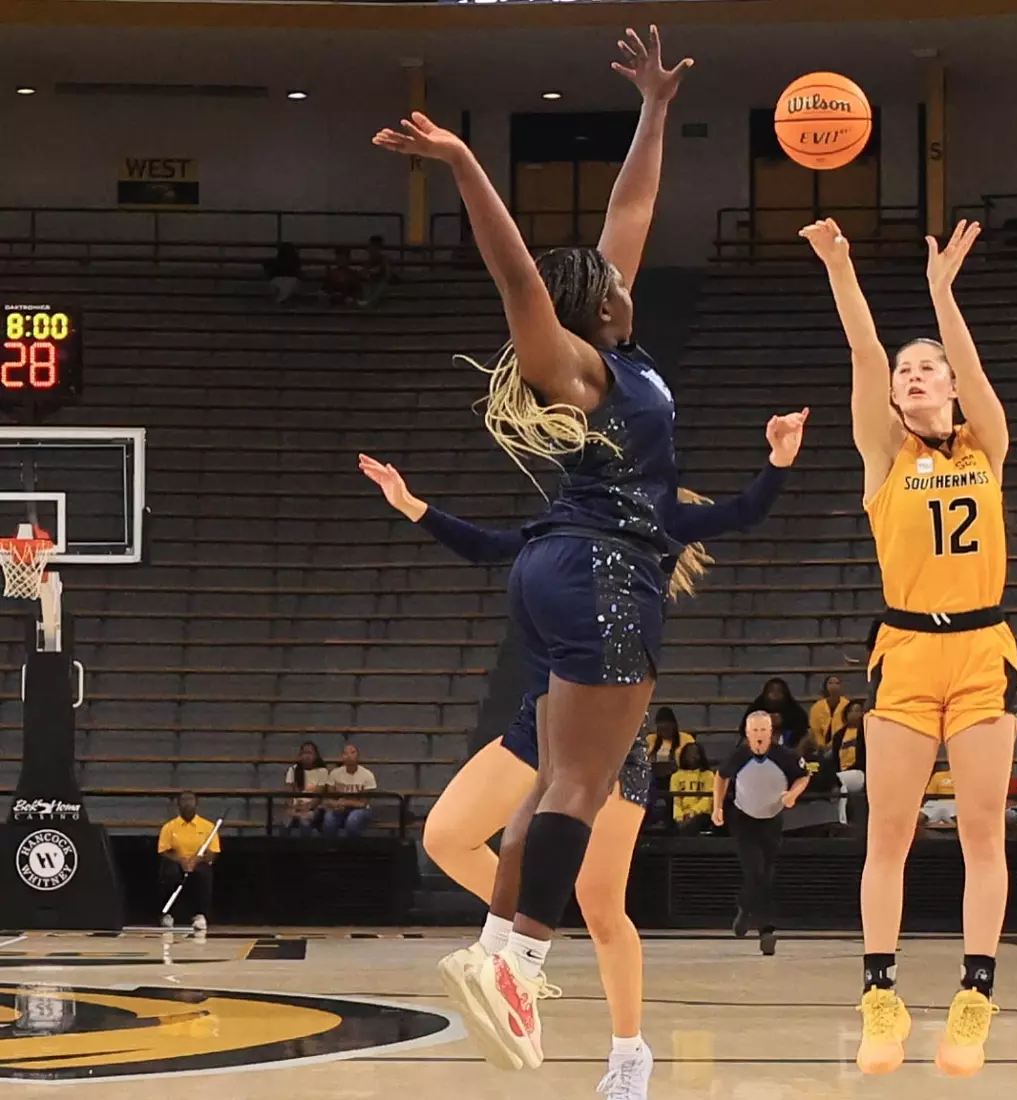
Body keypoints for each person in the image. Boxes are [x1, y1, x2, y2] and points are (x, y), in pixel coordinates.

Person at [371, 29, 708, 1078]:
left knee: (552, 781)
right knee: (575, 783)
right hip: (604, 573)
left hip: (557, 565)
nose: (624, 269)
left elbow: (631, 211)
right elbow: (518, 272)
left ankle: (497, 950)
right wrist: (468, 166)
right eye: (609, 277)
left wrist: (652, 110)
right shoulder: (571, 361)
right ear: (592, 303)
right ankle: (513, 957)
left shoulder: (614, 351)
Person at [360, 395, 795, 1094]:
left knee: (603, 908)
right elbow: (484, 545)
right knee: (445, 835)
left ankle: (629, 1054)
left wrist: (776, 462)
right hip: (537, 724)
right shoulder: (554, 528)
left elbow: (740, 510)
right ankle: (523, 946)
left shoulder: (640, 537)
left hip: (606, 736)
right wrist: (412, 506)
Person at [803, 213, 1017, 1076]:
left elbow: (963, 362)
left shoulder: (987, 443)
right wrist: (840, 267)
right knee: (885, 834)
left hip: (980, 652)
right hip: (904, 650)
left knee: (981, 833)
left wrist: (941, 295)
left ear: (954, 386)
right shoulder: (882, 454)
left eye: (930, 367)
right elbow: (861, 354)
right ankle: (880, 996)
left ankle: (973, 998)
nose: (916, 374)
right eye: (907, 370)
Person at [711, 710, 809, 956]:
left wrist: (792, 795)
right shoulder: (739, 756)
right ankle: (766, 929)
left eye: (763, 731)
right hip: (744, 819)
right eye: (754, 731)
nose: (759, 736)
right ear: (747, 733)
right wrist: (717, 806)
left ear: (771, 733)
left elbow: (804, 776)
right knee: (754, 869)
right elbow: (721, 777)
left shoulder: (784, 756)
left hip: (772, 820)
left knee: (766, 873)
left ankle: (745, 906)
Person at [157, 791, 219, 933]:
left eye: (190, 800)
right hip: (177, 862)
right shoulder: (169, 827)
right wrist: (182, 861)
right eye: (184, 800)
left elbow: (213, 852)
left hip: (198, 862)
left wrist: (196, 860)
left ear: (197, 803)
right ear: (178, 804)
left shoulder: (208, 827)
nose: (187, 803)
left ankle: (200, 915)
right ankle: (168, 915)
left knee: (203, 874)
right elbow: (164, 851)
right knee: (169, 873)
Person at [320, 743, 378, 837]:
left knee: (352, 820)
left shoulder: (367, 775)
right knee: (328, 819)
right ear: (342, 757)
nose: (349, 756)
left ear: (358, 756)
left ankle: (352, 848)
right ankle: (331, 847)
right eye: (345, 753)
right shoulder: (335, 773)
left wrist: (345, 803)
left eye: (352, 752)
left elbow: (363, 802)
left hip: (361, 809)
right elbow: (330, 796)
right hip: (340, 807)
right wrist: (335, 805)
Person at [283, 741, 328, 835]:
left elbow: (318, 797)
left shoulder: (322, 771)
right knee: (284, 823)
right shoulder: (293, 770)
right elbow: (288, 794)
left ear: (316, 756)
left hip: (312, 808)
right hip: (295, 807)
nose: (306, 756)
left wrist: (306, 808)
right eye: (304, 753)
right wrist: (293, 807)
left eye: (310, 753)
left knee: (304, 823)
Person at [669, 743, 715, 833]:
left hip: (701, 814)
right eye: (689, 753)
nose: (693, 756)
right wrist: (679, 817)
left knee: (694, 823)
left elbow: (708, 799)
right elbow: (676, 800)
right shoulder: (676, 776)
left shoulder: (708, 775)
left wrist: (692, 813)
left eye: (696, 753)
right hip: (681, 814)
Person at [750, 678, 809, 745]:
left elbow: (802, 729)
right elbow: (745, 728)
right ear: (765, 693)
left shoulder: (795, 710)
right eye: (772, 691)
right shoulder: (757, 707)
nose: (775, 695)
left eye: (779, 691)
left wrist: (783, 722)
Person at [830, 701, 868, 797]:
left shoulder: (866, 732)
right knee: (836, 782)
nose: (855, 714)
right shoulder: (839, 735)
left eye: (858, 711)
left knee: (838, 782)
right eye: (852, 711)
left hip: (859, 773)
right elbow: (835, 759)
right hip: (841, 773)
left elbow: (864, 759)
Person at [808, 676, 851, 754]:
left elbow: (846, 728)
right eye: (830, 683)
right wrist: (821, 745)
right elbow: (815, 730)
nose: (834, 686)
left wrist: (831, 745)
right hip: (820, 746)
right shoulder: (817, 707)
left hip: (842, 743)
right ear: (825, 686)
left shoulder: (847, 705)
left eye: (837, 683)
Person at [359, 234, 394, 306]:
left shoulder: (384, 260)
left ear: (379, 249)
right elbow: (364, 274)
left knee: (381, 286)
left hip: (381, 283)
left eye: (374, 248)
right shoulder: (369, 261)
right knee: (365, 285)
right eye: (371, 247)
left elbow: (388, 276)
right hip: (372, 283)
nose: (371, 250)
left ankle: (368, 303)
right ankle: (367, 302)